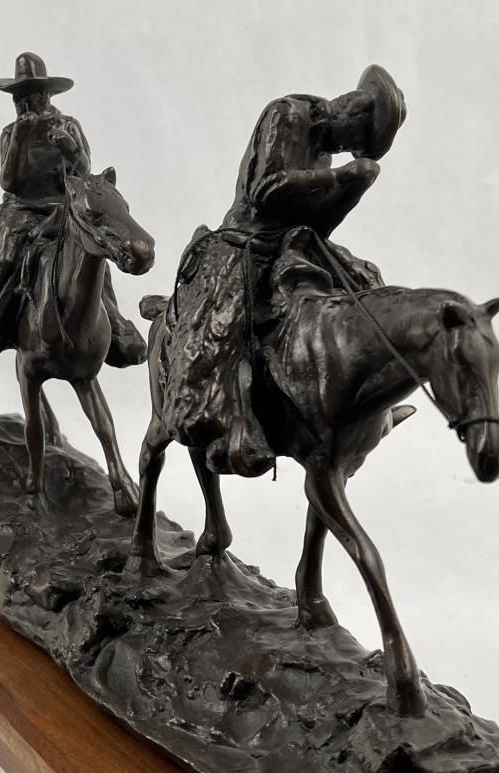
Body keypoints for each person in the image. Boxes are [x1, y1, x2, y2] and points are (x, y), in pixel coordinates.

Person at [163, 65, 406, 476]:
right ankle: (218, 419)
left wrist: (350, 190)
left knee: (366, 284)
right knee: (220, 327)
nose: (350, 150)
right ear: (354, 109)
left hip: (294, 238)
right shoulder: (288, 115)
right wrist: (341, 177)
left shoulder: (326, 148)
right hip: (246, 239)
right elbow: (266, 189)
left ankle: (367, 404)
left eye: (357, 149)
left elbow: (317, 219)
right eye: (356, 141)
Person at [0, 52, 145, 369]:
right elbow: (8, 181)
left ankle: (114, 325)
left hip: (63, 205)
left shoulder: (68, 125)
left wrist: (69, 148)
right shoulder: (10, 132)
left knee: (94, 252)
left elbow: (85, 171)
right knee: (5, 256)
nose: (24, 102)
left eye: (30, 94)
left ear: (45, 95)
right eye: (19, 96)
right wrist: (18, 139)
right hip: (21, 209)